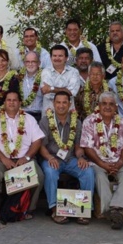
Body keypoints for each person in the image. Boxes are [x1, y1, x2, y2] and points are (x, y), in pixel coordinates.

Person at [79, 91, 123, 230]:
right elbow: (87, 147)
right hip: (97, 161)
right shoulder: (89, 121)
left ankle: (114, 209)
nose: (107, 107)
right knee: (99, 176)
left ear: (116, 107)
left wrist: (120, 163)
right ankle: (115, 212)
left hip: (119, 162)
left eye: (111, 104)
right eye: (104, 104)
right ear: (98, 105)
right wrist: (102, 164)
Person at [0, 91, 45, 220]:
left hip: (24, 159)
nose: (12, 102)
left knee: (39, 175)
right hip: (1, 158)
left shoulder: (29, 119)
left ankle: (29, 208)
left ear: (20, 103)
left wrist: (27, 157)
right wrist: (4, 159)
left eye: (15, 100)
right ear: (4, 103)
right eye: (9, 100)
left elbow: (37, 140)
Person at [39, 91, 95, 225]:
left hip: (70, 159)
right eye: (58, 102)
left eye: (64, 102)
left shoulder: (77, 121)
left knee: (87, 171)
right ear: (53, 104)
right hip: (51, 158)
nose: (61, 105)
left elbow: (78, 146)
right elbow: (41, 146)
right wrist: (49, 158)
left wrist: (81, 157)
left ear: (70, 104)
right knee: (50, 172)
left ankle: (84, 210)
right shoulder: (45, 121)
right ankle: (55, 209)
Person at [40, 45, 82, 113]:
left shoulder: (74, 72)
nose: (57, 58)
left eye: (60, 56)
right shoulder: (45, 72)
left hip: (68, 113)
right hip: (49, 111)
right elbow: (47, 93)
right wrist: (65, 89)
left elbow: (71, 92)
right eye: (54, 56)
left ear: (66, 58)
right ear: (50, 58)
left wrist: (51, 89)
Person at [20, 51, 43, 122]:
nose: (30, 64)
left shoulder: (44, 76)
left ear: (39, 63)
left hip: (38, 115)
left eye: (33, 61)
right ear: (24, 63)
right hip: (22, 115)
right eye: (27, 61)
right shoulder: (18, 77)